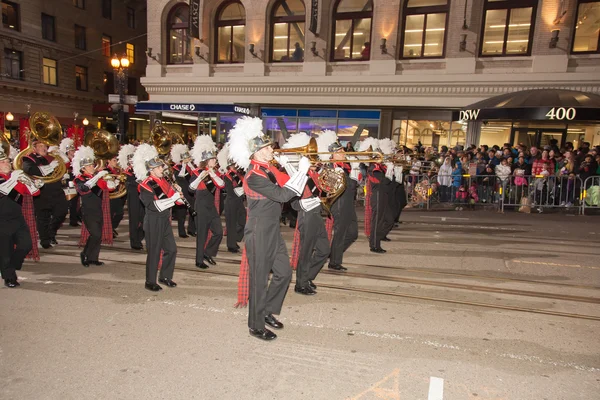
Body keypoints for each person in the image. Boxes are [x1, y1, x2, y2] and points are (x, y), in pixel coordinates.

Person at [229, 116, 310, 341]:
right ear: (254, 154)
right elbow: (283, 195)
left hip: (272, 229)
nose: (269, 151)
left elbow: (290, 187)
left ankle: (266, 311)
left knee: (284, 273)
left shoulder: (268, 170)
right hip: (258, 231)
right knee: (259, 279)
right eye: (264, 149)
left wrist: (295, 168)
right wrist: (301, 172)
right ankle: (255, 325)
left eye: (268, 147)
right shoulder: (254, 175)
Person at [135, 145, 183, 291]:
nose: (162, 169)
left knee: (172, 249)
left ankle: (165, 276)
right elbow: (154, 206)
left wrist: (179, 197)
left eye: (161, 166)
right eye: (159, 167)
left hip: (164, 219)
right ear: (151, 170)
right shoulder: (145, 185)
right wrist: (173, 198)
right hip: (154, 220)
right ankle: (150, 281)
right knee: (154, 251)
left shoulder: (164, 181)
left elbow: (173, 200)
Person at [0, 149, 41, 287]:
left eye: (7, 161)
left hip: (17, 217)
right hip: (1, 220)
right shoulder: (9, 179)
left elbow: (35, 193)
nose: (7, 163)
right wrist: (15, 179)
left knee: (26, 244)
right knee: (6, 251)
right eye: (3, 162)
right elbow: (3, 190)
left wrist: (29, 182)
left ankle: (11, 266)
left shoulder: (15, 177)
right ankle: (9, 278)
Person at [73, 146, 115, 267]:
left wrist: (112, 182)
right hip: (88, 210)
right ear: (83, 168)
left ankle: (93, 258)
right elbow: (85, 188)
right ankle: (85, 254)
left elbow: (109, 188)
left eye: (92, 165)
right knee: (95, 234)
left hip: (98, 209)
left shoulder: (95, 178)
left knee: (99, 235)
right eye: (90, 165)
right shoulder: (79, 179)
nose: (93, 167)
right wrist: (98, 176)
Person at [22, 141, 68, 248]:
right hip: (42, 191)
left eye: (45, 146)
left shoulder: (51, 157)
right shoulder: (28, 158)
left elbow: (65, 164)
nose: (44, 148)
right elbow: (30, 170)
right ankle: (45, 240)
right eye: (41, 146)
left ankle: (51, 232)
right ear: (34, 148)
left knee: (62, 212)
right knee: (43, 217)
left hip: (56, 189)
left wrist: (61, 155)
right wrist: (50, 167)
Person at [190, 137, 224, 269]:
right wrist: (200, 177)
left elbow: (221, 186)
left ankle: (207, 253)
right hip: (201, 206)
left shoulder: (215, 173)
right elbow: (190, 189)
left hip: (211, 207)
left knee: (219, 232)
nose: (215, 161)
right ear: (206, 161)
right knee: (202, 235)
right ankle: (199, 260)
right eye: (213, 159)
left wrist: (213, 174)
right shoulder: (197, 172)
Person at [328, 141, 358, 271]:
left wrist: (355, 172)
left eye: (342, 150)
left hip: (348, 203)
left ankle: (333, 253)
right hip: (339, 203)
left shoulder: (346, 165)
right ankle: (334, 262)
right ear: (333, 155)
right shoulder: (330, 167)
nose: (343, 153)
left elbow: (352, 186)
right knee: (340, 233)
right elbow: (337, 187)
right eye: (339, 151)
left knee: (353, 233)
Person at [119, 144, 145, 250]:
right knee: (134, 219)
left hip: (142, 196)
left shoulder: (141, 169)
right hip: (133, 196)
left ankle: (139, 237)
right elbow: (129, 183)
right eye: (130, 160)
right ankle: (134, 241)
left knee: (144, 219)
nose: (132, 162)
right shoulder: (127, 172)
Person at [171, 146, 197, 238]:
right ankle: (181, 232)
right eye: (186, 157)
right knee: (181, 214)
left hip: (190, 192)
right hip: (182, 192)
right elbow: (180, 176)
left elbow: (196, 174)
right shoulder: (177, 168)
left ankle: (191, 229)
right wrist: (184, 164)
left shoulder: (190, 166)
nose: (188, 159)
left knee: (193, 211)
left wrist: (189, 165)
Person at [222, 159, 246, 253]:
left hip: (239, 201)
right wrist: (244, 189)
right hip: (231, 201)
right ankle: (231, 245)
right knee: (231, 224)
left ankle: (234, 238)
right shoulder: (227, 175)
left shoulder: (239, 174)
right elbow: (232, 191)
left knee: (243, 221)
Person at [104, 155, 125, 238]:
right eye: (114, 160)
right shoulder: (106, 171)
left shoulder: (117, 170)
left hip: (116, 194)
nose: (116, 162)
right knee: (110, 214)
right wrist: (115, 180)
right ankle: (109, 230)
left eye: (116, 160)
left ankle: (111, 228)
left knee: (120, 213)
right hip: (110, 195)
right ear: (108, 161)